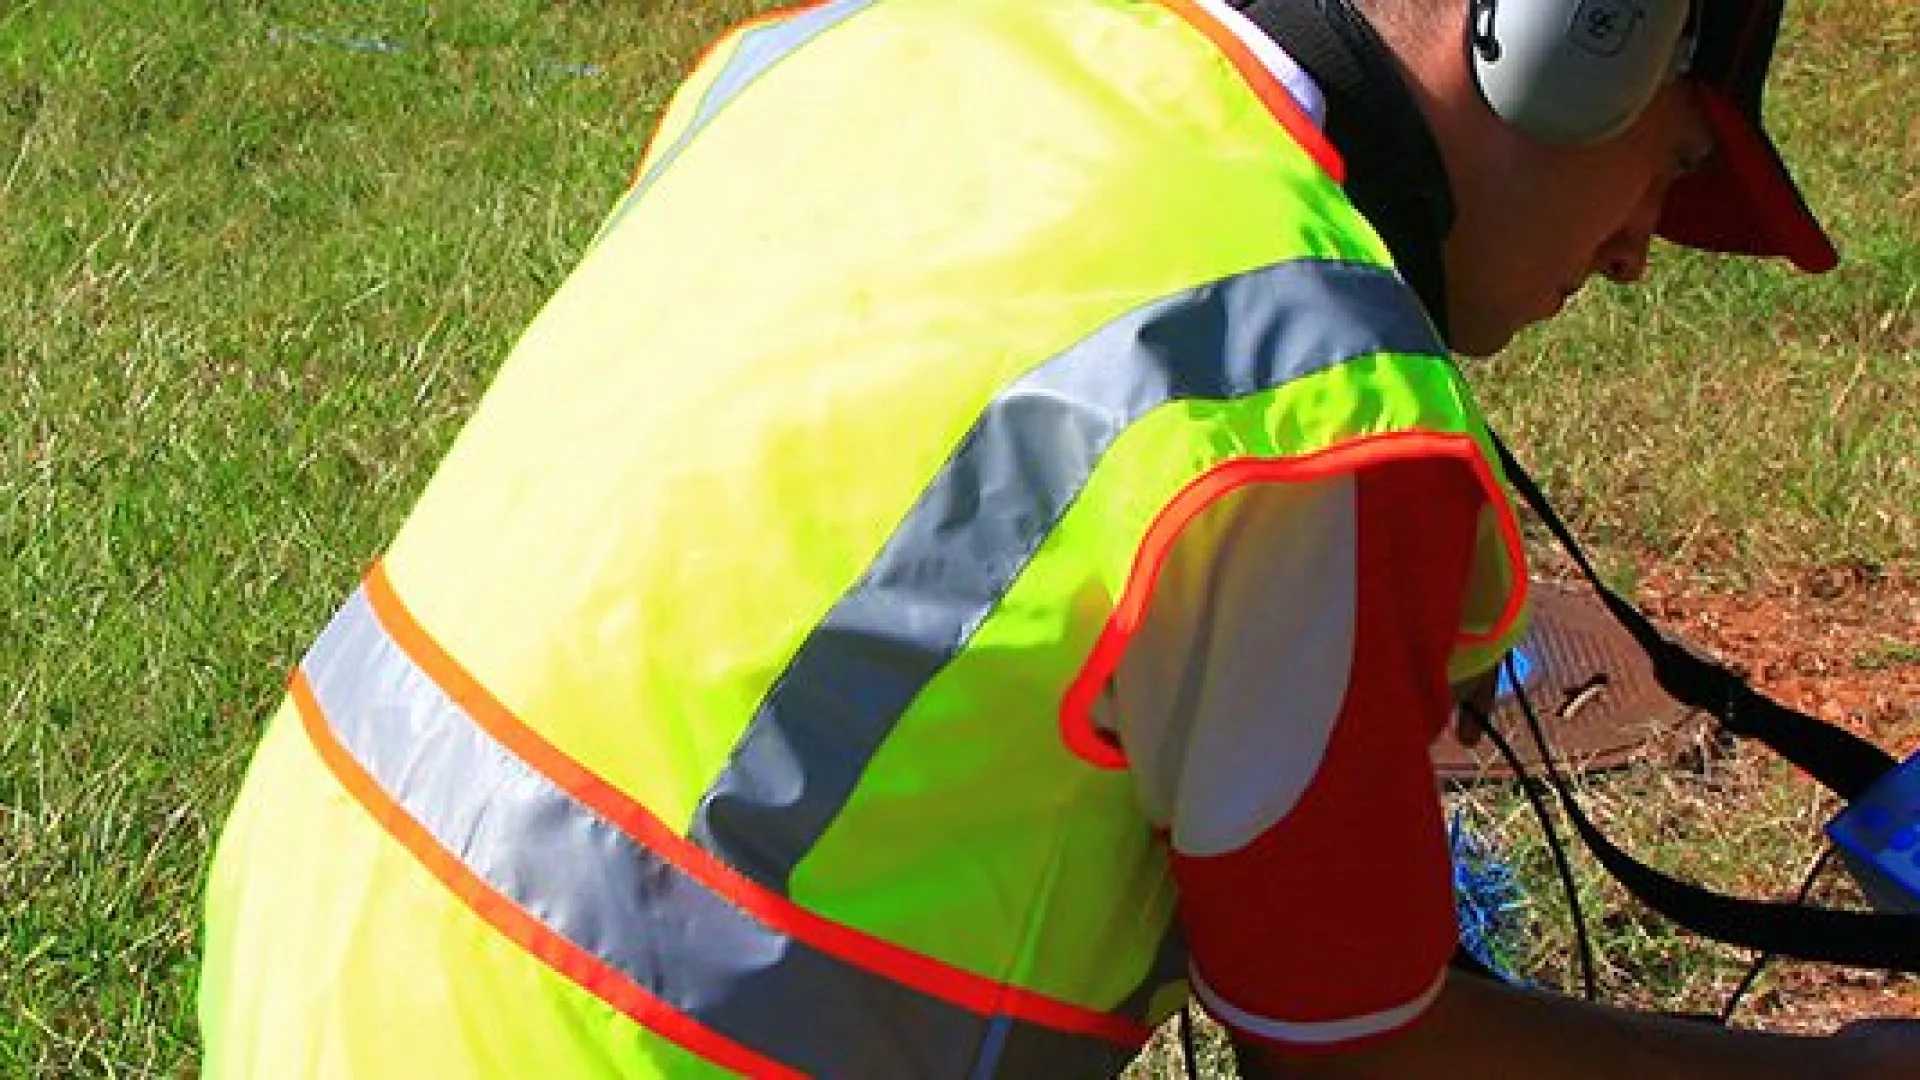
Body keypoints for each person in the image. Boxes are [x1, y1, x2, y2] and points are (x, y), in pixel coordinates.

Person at [196, 0, 1918, 1076]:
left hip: (296, 967)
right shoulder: (1308, 392)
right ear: (1572, 35)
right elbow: (1362, 1049)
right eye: (1674, 168)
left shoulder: (876, 40)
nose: (1640, 251)